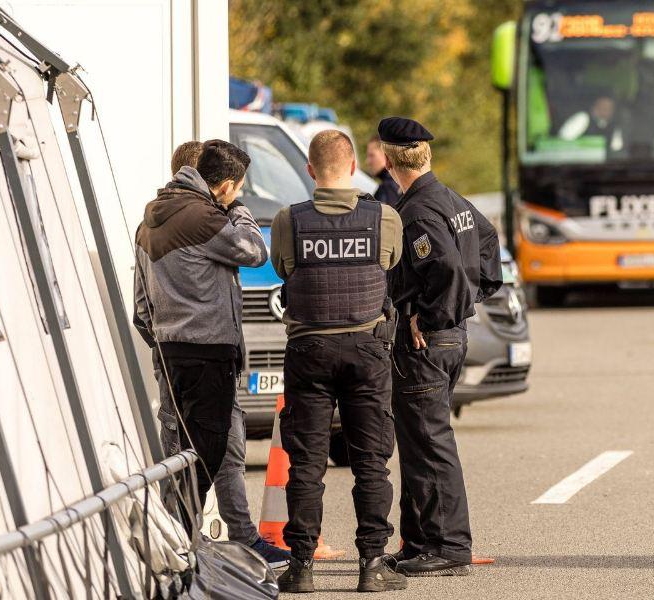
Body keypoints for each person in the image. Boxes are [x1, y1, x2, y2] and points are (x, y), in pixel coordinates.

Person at [136, 141, 291, 567]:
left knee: (184, 449)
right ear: (223, 185)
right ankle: (181, 539)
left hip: (170, 353)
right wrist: (237, 207)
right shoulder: (204, 216)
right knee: (211, 448)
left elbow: (141, 307)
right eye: (235, 188)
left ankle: (186, 536)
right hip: (207, 352)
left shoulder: (151, 217)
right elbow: (254, 250)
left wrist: (167, 336)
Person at [270, 130, 407, 594]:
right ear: (352, 167)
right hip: (366, 348)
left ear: (310, 171)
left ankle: (302, 566)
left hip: (308, 350)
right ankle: (372, 565)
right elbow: (390, 265)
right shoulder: (384, 217)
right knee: (372, 462)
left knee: (306, 464)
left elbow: (285, 271)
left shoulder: (289, 220)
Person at [376, 116, 502, 577]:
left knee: (429, 442)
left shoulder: (417, 211)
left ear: (389, 162)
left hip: (427, 342)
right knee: (419, 440)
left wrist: (426, 316)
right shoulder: (451, 199)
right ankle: (421, 541)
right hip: (449, 338)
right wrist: (467, 302)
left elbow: (445, 268)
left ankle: (447, 546)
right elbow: (488, 245)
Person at [558, 96, 623, 150]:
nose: (607, 110)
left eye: (610, 108)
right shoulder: (582, 118)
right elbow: (562, 142)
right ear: (595, 105)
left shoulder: (614, 125)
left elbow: (616, 149)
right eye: (604, 106)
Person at [366, 135, 401, 207]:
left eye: (372, 155)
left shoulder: (388, 187)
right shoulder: (398, 183)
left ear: (386, 155)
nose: (368, 161)